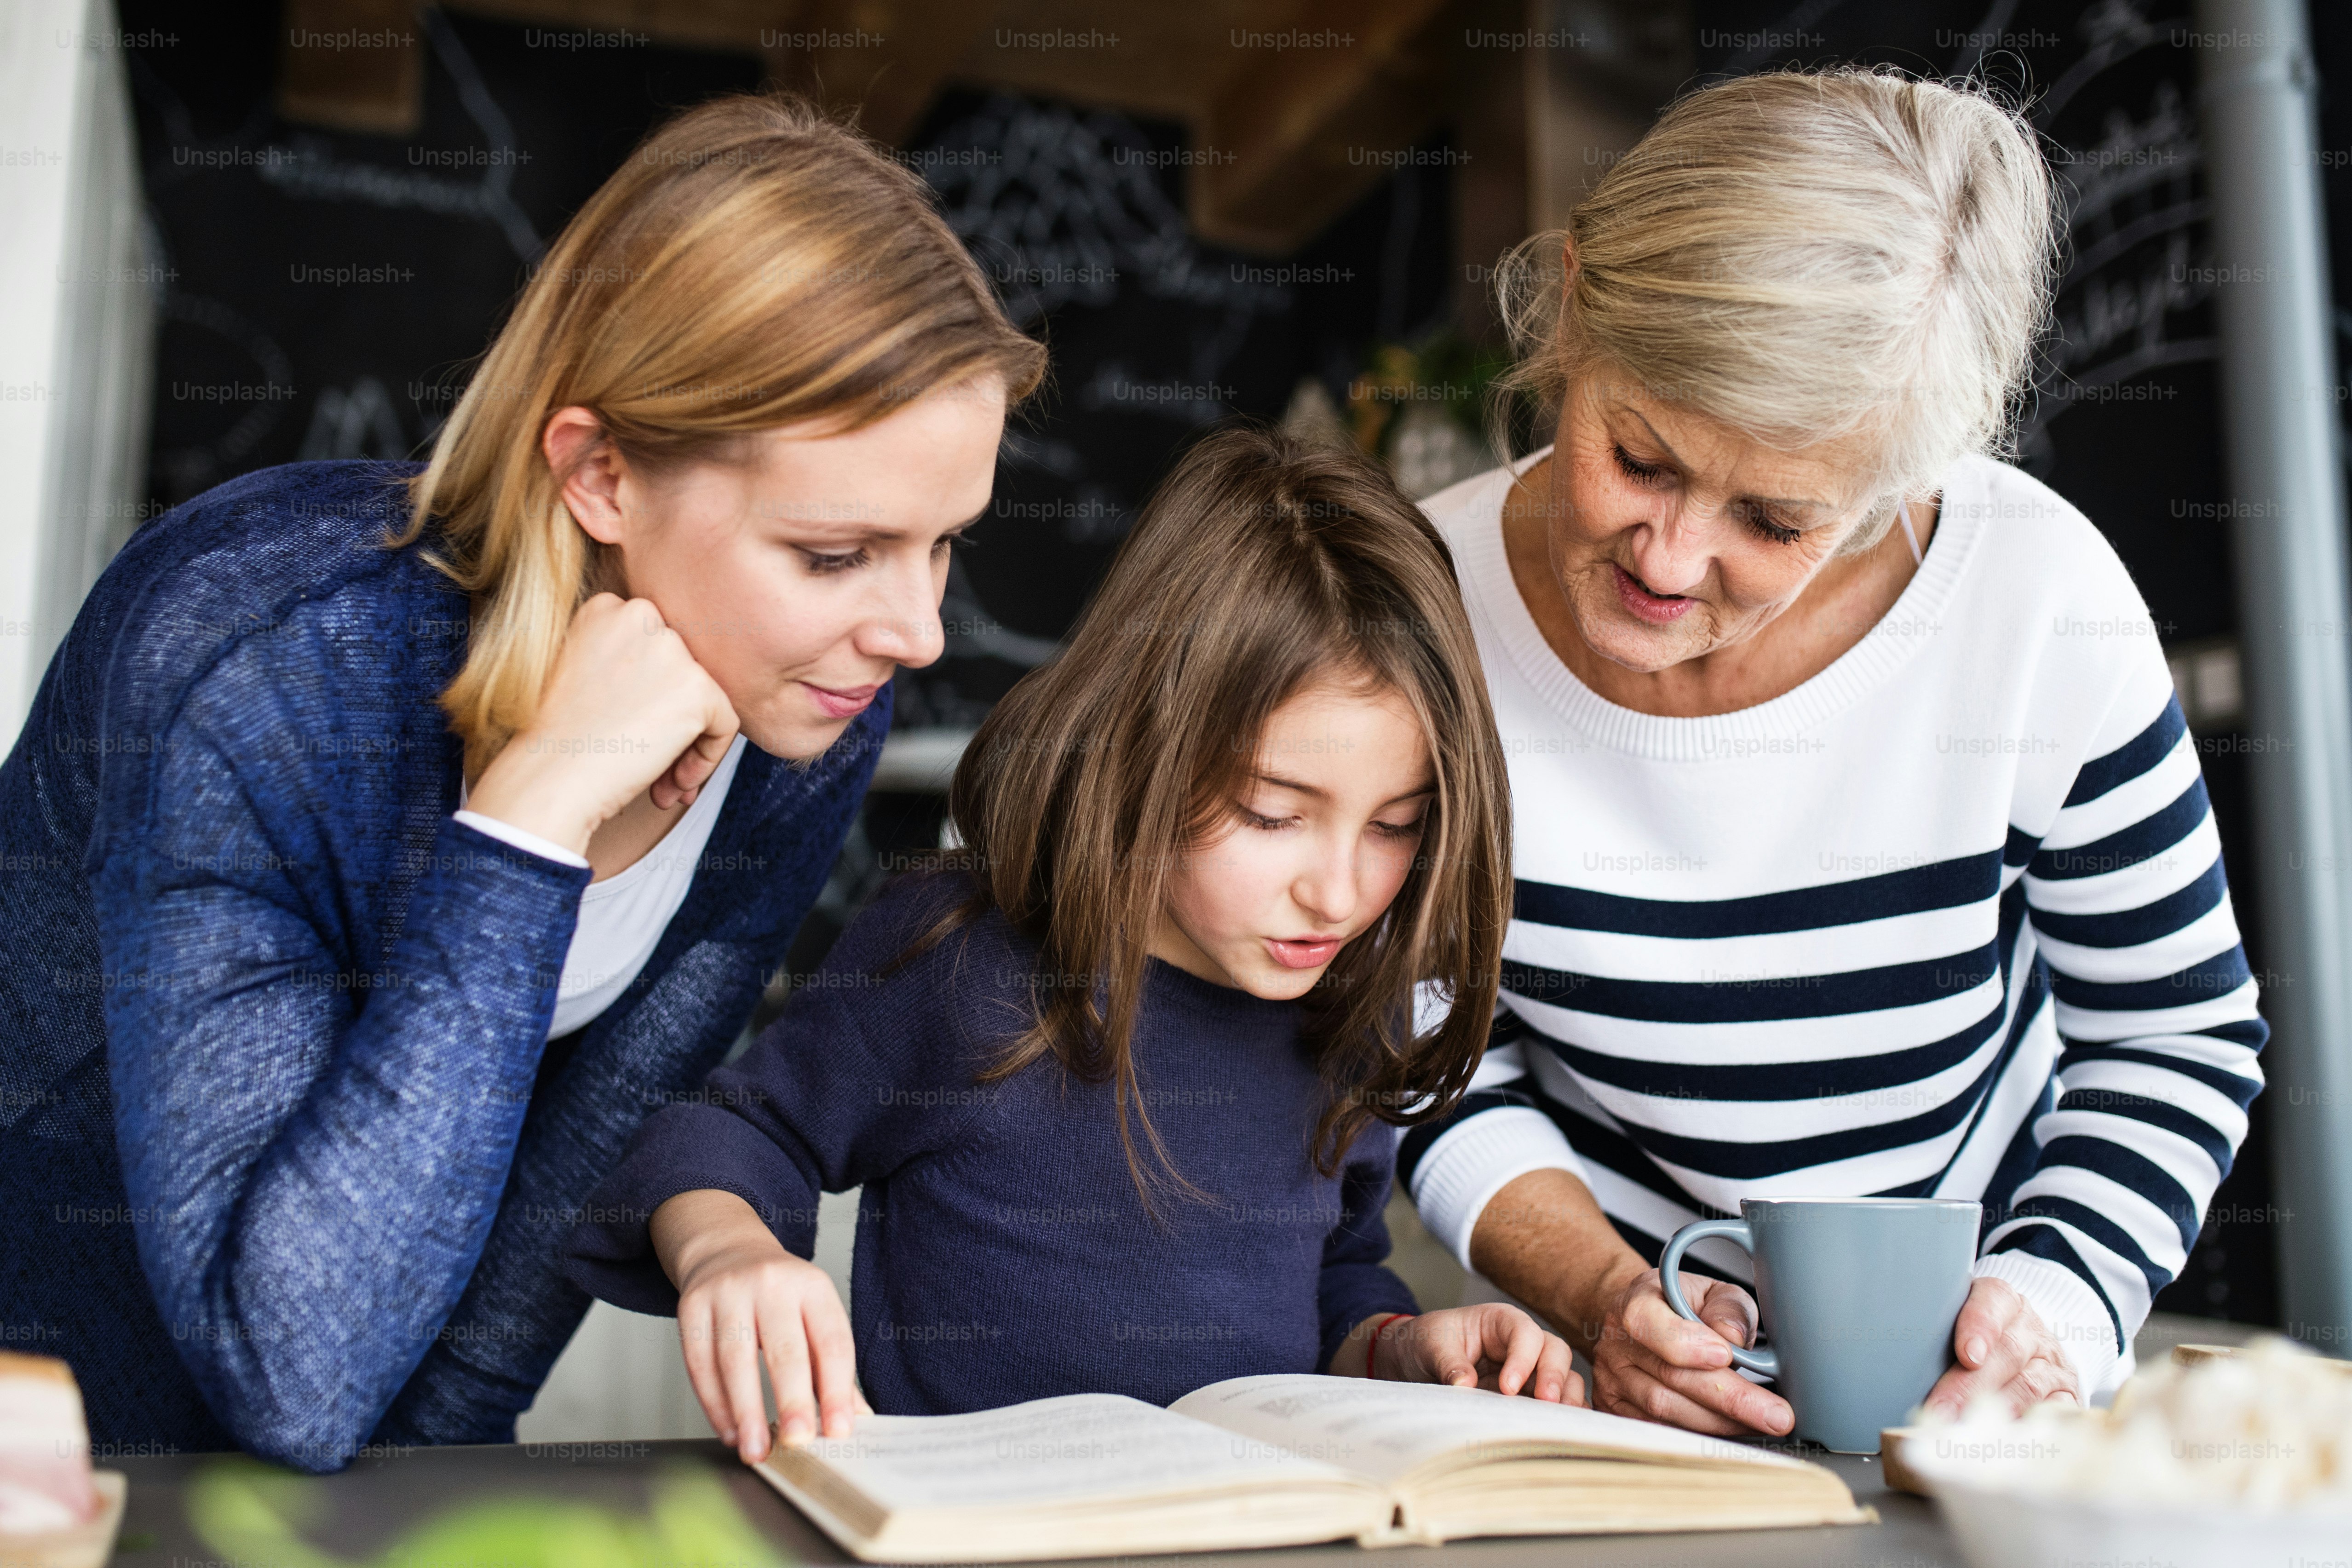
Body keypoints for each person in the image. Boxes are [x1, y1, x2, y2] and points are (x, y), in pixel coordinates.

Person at [0, 93, 1043, 1470]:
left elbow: (529, 1247)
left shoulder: (810, 717)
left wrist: (420, 1516)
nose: (915, 631)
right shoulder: (257, 666)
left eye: (944, 544)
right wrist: (528, 828)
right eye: (838, 554)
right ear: (601, 473)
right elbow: (292, 1368)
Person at [1397, 68, 2266, 1436]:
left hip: (1976, 1379)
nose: (1670, 562)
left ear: (1900, 486)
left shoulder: (2036, 601)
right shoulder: (1417, 606)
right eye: (1637, 456)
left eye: (1774, 518)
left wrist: (2051, 1307)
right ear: (1570, 305)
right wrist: (1605, 1297)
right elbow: (1432, 1053)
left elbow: (2173, 1036)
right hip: (1613, 1391)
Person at [565, 430, 1580, 1463]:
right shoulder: (963, 957)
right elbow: (726, 1134)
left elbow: (1331, 1280)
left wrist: (1403, 1348)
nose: (1337, 889)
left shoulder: (1346, 1005)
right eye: (1273, 814)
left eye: (1396, 824)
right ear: (1147, 750)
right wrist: (728, 1248)